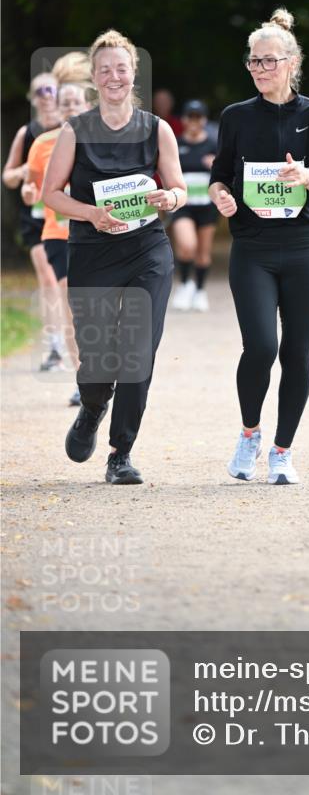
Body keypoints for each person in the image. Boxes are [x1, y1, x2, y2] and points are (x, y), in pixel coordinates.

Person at [209, 8, 309, 485]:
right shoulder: (236, 117)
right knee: (262, 345)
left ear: (291, 63)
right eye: (253, 62)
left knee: (298, 354)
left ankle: (282, 451)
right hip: (253, 248)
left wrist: (308, 177)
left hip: (306, 248)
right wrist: (221, 197)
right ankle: (250, 434)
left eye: (269, 62)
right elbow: (218, 178)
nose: (260, 70)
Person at [43, 29, 186, 485]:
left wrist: (170, 199)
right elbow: (51, 195)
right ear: (94, 77)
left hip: (147, 249)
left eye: (121, 68)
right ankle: (92, 405)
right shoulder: (74, 131)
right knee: (100, 357)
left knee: (138, 350)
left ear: (133, 73)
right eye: (104, 70)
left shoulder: (157, 129)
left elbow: (179, 187)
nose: (113, 76)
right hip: (92, 250)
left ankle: (120, 453)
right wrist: (91, 214)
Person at [22, 53, 94, 406]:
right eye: (63, 103)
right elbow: (35, 189)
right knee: (71, 305)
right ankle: (83, 380)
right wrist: (28, 191)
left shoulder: (105, 141)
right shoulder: (42, 145)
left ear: (87, 105)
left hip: (100, 234)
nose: (69, 108)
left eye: (75, 102)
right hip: (58, 234)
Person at [2, 72, 63, 370]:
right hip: (36, 217)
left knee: (67, 283)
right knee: (49, 279)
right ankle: (54, 347)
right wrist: (27, 170)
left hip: (65, 216)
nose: (46, 96)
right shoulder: (27, 134)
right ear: (33, 98)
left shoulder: (71, 130)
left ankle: (72, 340)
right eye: (40, 91)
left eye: (51, 90)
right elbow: (8, 176)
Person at [170, 99, 219, 311]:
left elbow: (227, 174)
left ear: (204, 120)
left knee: (203, 252)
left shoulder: (214, 145)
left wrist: (216, 166)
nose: (193, 121)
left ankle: (199, 290)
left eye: (198, 117)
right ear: (184, 119)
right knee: (187, 245)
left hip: (207, 205)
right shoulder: (176, 144)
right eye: (190, 116)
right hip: (183, 204)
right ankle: (184, 284)